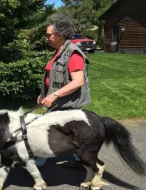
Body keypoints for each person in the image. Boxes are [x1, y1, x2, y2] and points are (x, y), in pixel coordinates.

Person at [35, 14, 91, 168]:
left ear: (60, 35)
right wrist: (43, 94)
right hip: (57, 103)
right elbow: (52, 77)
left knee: (48, 131)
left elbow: (78, 81)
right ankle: (81, 158)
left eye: (49, 35)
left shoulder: (73, 54)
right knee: (68, 134)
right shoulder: (59, 51)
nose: (46, 38)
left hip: (67, 105)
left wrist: (54, 95)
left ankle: (39, 161)